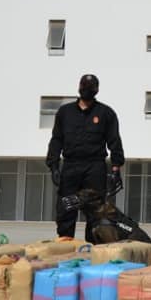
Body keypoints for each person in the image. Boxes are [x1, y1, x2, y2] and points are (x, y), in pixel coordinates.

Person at [46, 74, 124, 241]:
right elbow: (56, 139)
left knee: (95, 209)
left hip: (94, 167)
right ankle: (65, 242)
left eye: (91, 87)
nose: (87, 90)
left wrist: (116, 168)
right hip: (71, 166)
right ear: (79, 87)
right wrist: (53, 165)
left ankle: (93, 245)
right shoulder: (65, 112)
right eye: (84, 86)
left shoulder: (106, 113)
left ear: (97, 90)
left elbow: (114, 141)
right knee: (67, 207)